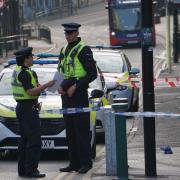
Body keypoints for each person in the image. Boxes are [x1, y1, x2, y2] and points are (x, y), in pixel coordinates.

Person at [58, 22, 97, 174]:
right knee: (70, 131)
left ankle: (85, 163)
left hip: (78, 94)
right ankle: (73, 163)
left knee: (81, 131)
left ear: (76, 34)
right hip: (66, 95)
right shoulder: (63, 49)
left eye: (70, 33)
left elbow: (92, 74)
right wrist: (58, 87)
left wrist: (76, 86)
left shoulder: (84, 49)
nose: (67, 36)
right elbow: (61, 70)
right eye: (66, 34)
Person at [11, 47, 55, 178]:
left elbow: (34, 89)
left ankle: (23, 170)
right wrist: (47, 85)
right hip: (27, 109)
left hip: (26, 107)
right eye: (31, 57)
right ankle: (31, 170)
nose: (33, 59)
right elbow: (30, 92)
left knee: (25, 140)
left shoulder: (23, 71)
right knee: (34, 141)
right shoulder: (24, 73)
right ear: (26, 58)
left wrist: (41, 88)